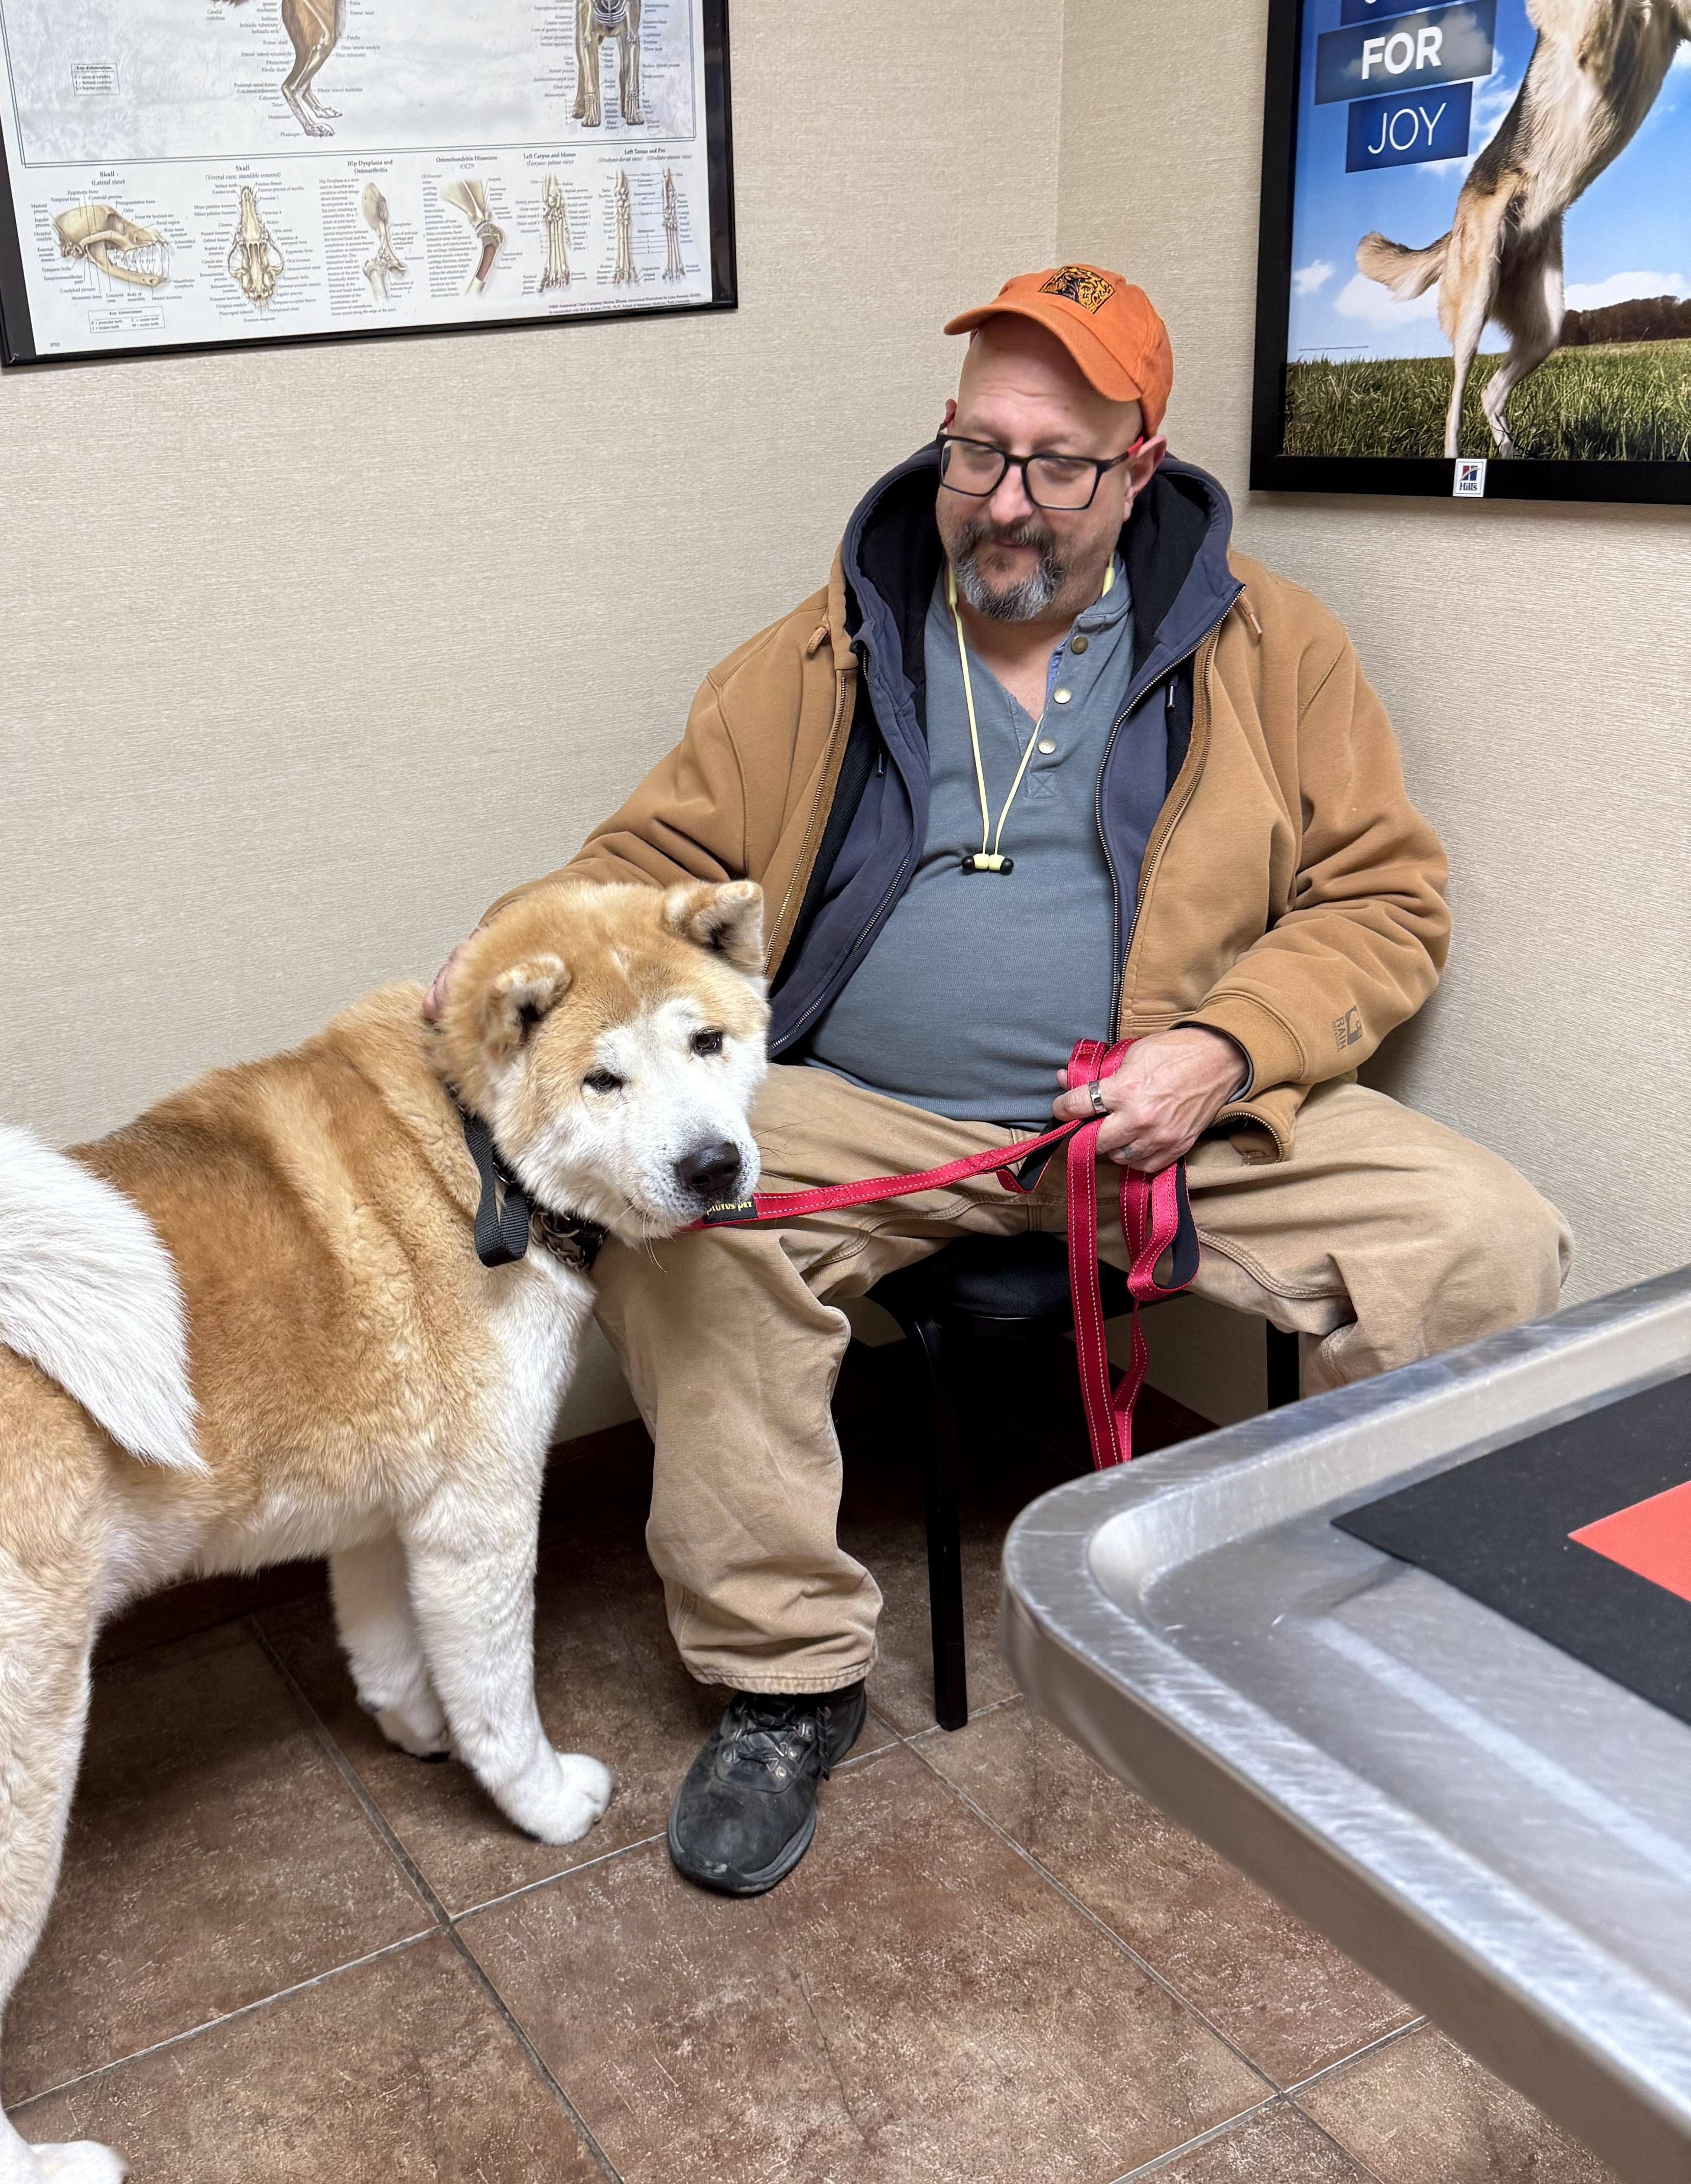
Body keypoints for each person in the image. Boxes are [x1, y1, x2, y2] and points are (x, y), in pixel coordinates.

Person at [482, 264, 1570, 1896]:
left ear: (1139, 468)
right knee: (685, 1235)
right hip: (865, 1104)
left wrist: (1216, 1049)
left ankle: (1386, 1629)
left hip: (1175, 1113)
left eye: (1057, 463)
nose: (1004, 500)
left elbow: (1379, 901)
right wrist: (516, 943)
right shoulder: (819, 650)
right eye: (975, 451)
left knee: (1487, 1231)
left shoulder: (1275, 650)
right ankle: (783, 1679)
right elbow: (651, 855)